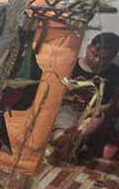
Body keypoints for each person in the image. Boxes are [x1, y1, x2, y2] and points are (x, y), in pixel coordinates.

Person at [51, 32, 119, 160]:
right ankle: (62, 139)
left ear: (112, 57)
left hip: (93, 113)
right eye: (94, 54)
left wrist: (99, 109)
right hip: (68, 108)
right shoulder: (71, 64)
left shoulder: (115, 73)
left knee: (97, 120)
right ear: (88, 48)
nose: (97, 61)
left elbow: (113, 102)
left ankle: (72, 142)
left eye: (104, 59)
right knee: (66, 114)